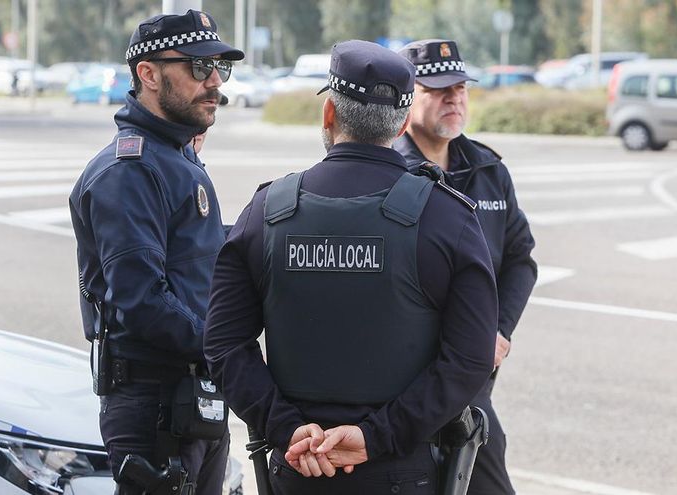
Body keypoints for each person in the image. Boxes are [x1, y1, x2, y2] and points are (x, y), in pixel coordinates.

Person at [204, 39, 499, 494]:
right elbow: (470, 358)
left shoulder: (266, 212)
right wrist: (377, 436)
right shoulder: (448, 218)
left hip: (298, 468)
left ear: (328, 116)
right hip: (403, 472)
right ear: (402, 123)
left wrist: (286, 427)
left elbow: (224, 344)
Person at [68, 10, 243, 495]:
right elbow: (143, 300)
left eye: (220, 69)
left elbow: (194, 258)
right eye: (197, 67)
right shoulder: (131, 169)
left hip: (194, 392)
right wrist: (229, 351)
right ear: (148, 74)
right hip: (154, 401)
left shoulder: (175, 155)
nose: (214, 83)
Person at [395, 39, 538, 495]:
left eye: (460, 87)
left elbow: (520, 259)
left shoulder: (488, 168)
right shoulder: (390, 172)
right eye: (437, 89)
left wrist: (498, 330)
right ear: (407, 96)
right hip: (410, 374)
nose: (453, 97)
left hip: (474, 368)